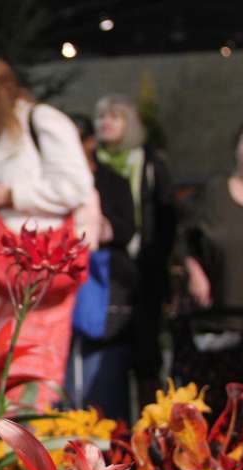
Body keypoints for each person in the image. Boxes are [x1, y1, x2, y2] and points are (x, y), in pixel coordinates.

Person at [0, 57, 93, 406]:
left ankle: (24, 451)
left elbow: (76, 186)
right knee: (1, 376)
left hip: (41, 271)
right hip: (0, 275)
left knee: (32, 375)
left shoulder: (42, 120)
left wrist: (11, 195)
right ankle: (2, 451)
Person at [175, 118, 243, 418]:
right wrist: (194, 271)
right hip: (215, 318)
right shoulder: (214, 191)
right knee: (215, 410)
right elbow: (185, 240)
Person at [94, 94, 178, 407]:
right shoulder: (87, 165)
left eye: (114, 117)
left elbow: (168, 216)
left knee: (146, 351)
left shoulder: (150, 163)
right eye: (102, 117)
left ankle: (149, 427)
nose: (106, 123)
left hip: (145, 268)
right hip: (104, 269)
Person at [64, 114, 137, 422]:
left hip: (102, 284)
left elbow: (126, 229)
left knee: (102, 377)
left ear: (90, 143)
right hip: (60, 280)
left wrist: (95, 226)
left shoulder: (112, 182)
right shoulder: (53, 182)